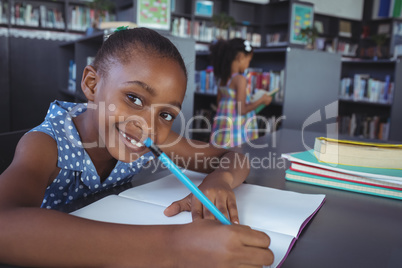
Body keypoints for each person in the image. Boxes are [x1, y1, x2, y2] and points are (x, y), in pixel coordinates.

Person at [0, 27, 274, 267]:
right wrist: (175, 248)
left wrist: (220, 180)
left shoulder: (151, 137)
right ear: (91, 84)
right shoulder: (45, 145)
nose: (148, 125)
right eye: (134, 98)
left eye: (166, 114)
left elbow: (233, 156)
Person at [209, 38, 272, 148]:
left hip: (223, 127)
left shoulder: (222, 79)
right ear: (240, 58)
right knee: (236, 159)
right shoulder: (240, 80)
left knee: (222, 157)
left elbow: (220, 102)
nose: (248, 64)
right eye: (248, 61)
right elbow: (242, 110)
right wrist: (261, 100)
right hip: (236, 128)